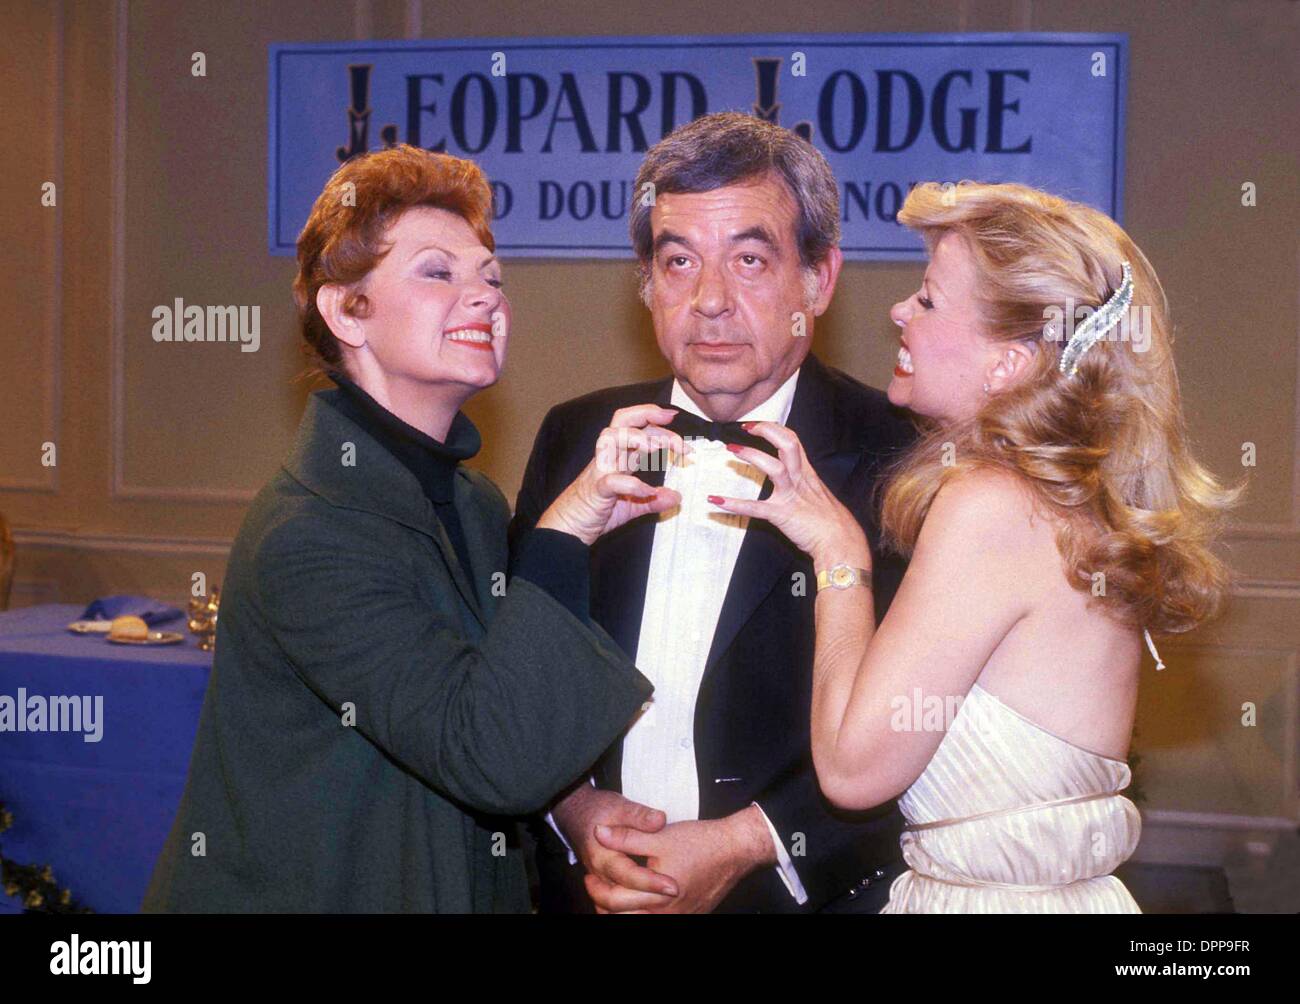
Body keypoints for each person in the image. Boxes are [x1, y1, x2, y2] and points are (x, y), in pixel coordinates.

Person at [142, 145, 686, 912]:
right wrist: (566, 529)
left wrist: (574, 805)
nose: (485, 297)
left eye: (490, 276)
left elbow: (494, 716)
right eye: (438, 272)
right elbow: (485, 752)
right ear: (346, 311)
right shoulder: (310, 530)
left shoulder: (470, 502)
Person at [711, 180, 1239, 912]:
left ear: (1009, 363)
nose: (900, 311)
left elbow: (853, 769)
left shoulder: (990, 504)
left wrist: (839, 554)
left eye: (927, 299)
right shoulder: (1065, 500)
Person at [510, 112, 916, 913]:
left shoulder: (903, 456)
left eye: (752, 260)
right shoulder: (575, 435)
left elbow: (922, 723)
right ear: (646, 284)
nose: (710, 301)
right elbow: (517, 676)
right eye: (679, 261)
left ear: (819, 280)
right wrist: (573, 810)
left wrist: (742, 845)